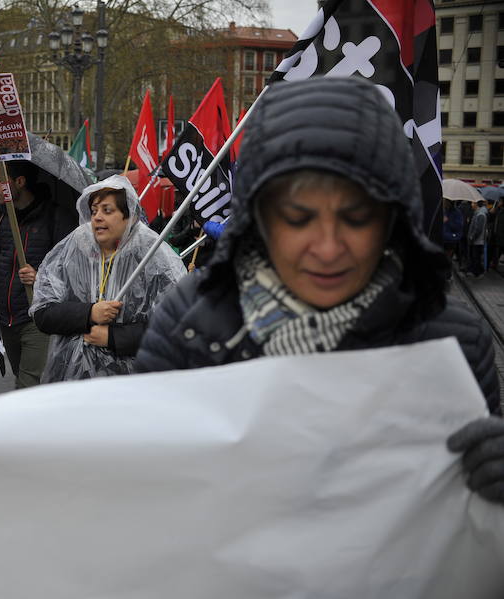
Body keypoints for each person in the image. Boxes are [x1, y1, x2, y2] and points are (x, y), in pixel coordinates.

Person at [136, 77, 503, 505]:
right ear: (259, 219)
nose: (328, 248)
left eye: (357, 217)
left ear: (393, 221)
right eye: (297, 217)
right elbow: (139, 487)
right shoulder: (189, 320)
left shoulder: (455, 343)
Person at [29, 175, 185, 382]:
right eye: (94, 211)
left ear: (129, 217)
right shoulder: (74, 249)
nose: (97, 217)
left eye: (107, 210)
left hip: (131, 384)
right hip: (71, 379)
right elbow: (43, 314)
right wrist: (89, 313)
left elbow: (176, 326)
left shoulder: (155, 259)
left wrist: (113, 337)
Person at [0, 160, 74, 388]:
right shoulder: (0, 217)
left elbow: (70, 271)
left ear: (20, 182)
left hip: (37, 319)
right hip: (6, 319)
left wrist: (40, 278)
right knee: (24, 379)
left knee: (27, 386)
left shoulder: (56, 217)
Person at [466, 199, 488, 277]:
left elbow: (478, 229)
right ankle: (475, 271)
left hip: (477, 241)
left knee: (476, 257)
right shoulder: (477, 213)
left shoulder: (481, 214)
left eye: (472, 203)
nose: (471, 204)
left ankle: (477, 272)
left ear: (476, 204)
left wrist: (472, 237)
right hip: (475, 240)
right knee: (475, 257)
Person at [442, 198, 463, 266]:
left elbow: (458, 227)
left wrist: (448, 221)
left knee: (447, 260)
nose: (444, 203)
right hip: (443, 239)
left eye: (445, 201)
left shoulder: (457, 213)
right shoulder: (443, 211)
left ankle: (447, 274)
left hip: (451, 240)